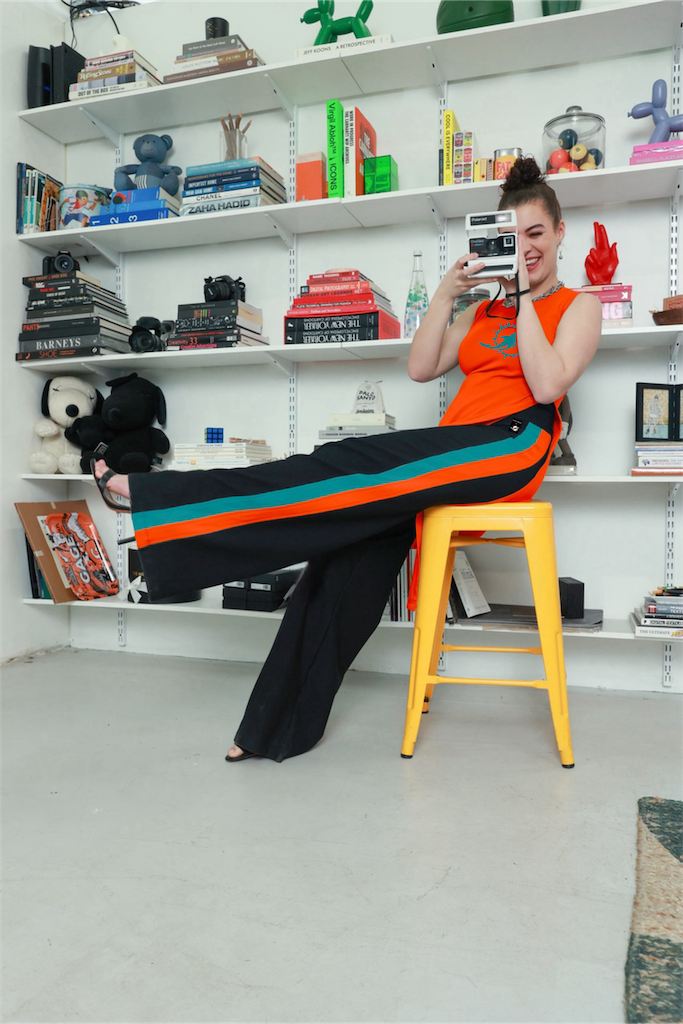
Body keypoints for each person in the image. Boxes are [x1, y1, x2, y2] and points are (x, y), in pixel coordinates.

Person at [93, 156, 601, 764]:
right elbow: (421, 367)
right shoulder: (478, 310)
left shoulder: (579, 305)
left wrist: (520, 299)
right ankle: (272, 729)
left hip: (513, 443)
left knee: (350, 460)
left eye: (535, 234)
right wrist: (449, 292)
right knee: (346, 549)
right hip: (456, 446)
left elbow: (546, 386)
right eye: (511, 237)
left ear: (559, 232)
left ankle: (157, 497)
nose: (525, 248)